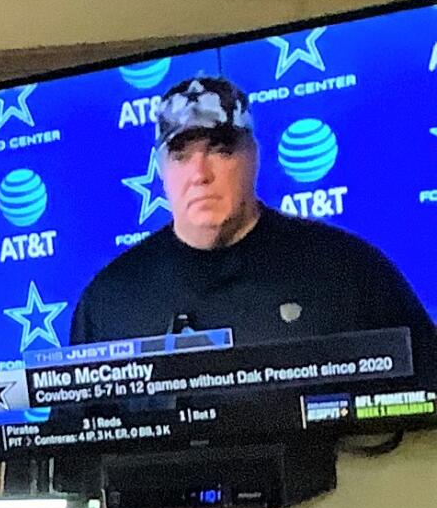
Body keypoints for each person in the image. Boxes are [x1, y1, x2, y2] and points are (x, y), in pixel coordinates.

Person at [69, 74, 437, 381]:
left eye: (220, 150)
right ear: (161, 169)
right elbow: (73, 452)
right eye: (181, 156)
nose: (200, 174)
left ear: (253, 157)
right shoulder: (110, 300)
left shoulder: (346, 268)